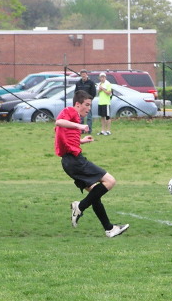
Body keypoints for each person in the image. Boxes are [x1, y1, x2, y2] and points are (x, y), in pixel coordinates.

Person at [54, 90, 129, 238]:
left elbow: (64, 135)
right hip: (75, 161)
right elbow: (58, 122)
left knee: (95, 194)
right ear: (77, 104)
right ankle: (79, 207)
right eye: (87, 105)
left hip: (69, 162)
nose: (89, 109)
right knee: (110, 181)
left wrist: (81, 140)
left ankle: (109, 229)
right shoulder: (70, 111)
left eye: (90, 105)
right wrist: (80, 127)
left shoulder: (74, 119)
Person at [74, 69, 97, 134]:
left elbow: (93, 93)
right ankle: (81, 130)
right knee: (80, 116)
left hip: (88, 102)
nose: (83, 76)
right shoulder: (78, 83)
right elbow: (76, 92)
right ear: (81, 75)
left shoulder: (91, 83)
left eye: (84, 74)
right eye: (82, 75)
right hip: (81, 102)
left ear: (87, 75)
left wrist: (89, 100)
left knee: (89, 116)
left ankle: (89, 130)